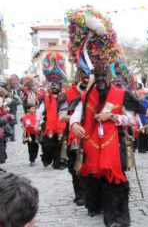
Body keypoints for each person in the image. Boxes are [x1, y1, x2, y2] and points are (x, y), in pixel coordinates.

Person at [67, 6, 146, 227]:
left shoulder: (122, 95)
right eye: (97, 74)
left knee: (115, 182)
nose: (100, 78)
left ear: (109, 74)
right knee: (95, 181)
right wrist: (75, 126)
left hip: (115, 147)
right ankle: (97, 206)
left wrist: (114, 117)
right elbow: (75, 116)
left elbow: (135, 120)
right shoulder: (86, 96)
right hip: (92, 147)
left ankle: (116, 218)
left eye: (104, 74)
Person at [58, 69, 89, 206]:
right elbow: (62, 116)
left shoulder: (97, 92)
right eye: (84, 76)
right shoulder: (68, 94)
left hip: (94, 133)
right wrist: (77, 118)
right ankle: (80, 194)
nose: (87, 79)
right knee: (76, 166)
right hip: (74, 134)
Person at [36, 51, 68, 170]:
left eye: (56, 84)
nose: (54, 86)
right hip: (49, 124)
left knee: (60, 143)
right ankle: (46, 158)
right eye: (52, 84)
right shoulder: (45, 97)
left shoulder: (64, 97)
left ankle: (58, 162)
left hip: (61, 125)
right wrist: (37, 122)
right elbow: (40, 110)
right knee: (48, 143)